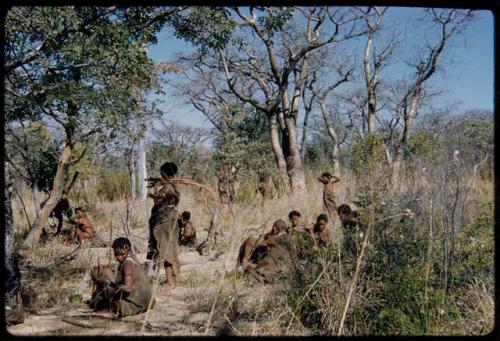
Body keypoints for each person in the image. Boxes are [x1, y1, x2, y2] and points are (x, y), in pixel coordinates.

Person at [88, 237, 153, 317]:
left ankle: (104, 309)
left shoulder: (127, 265)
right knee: (104, 273)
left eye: (122, 254)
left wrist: (108, 283)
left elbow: (127, 288)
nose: (119, 257)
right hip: (147, 301)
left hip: (135, 305)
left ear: (128, 251)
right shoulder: (133, 258)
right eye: (116, 254)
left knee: (104, 288)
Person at [145, 162, 181, 289]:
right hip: (168, 221)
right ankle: (171, 281)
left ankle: (170, 282)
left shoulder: (168, 188)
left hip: (165, 222)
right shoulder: (172, 187)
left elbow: (157, 200)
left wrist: (153, 189)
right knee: (168, 250)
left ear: (164, 173)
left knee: (166, 251)